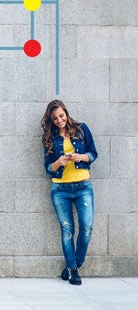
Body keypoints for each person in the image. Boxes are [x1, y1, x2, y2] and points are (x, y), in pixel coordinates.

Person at [41, 100, 97, 286]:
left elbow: (93, 153)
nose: (59, 120)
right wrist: (59, 162)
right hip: (60, 189)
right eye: (55, 118)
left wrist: (81, 157)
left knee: (87, 227)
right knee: (67, 230)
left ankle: (75, 263)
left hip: (83, 186)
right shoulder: (50, 137)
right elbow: (48, 167)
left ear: (66, 112)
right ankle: (73, 271)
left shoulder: (82, 129)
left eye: (61, 116)